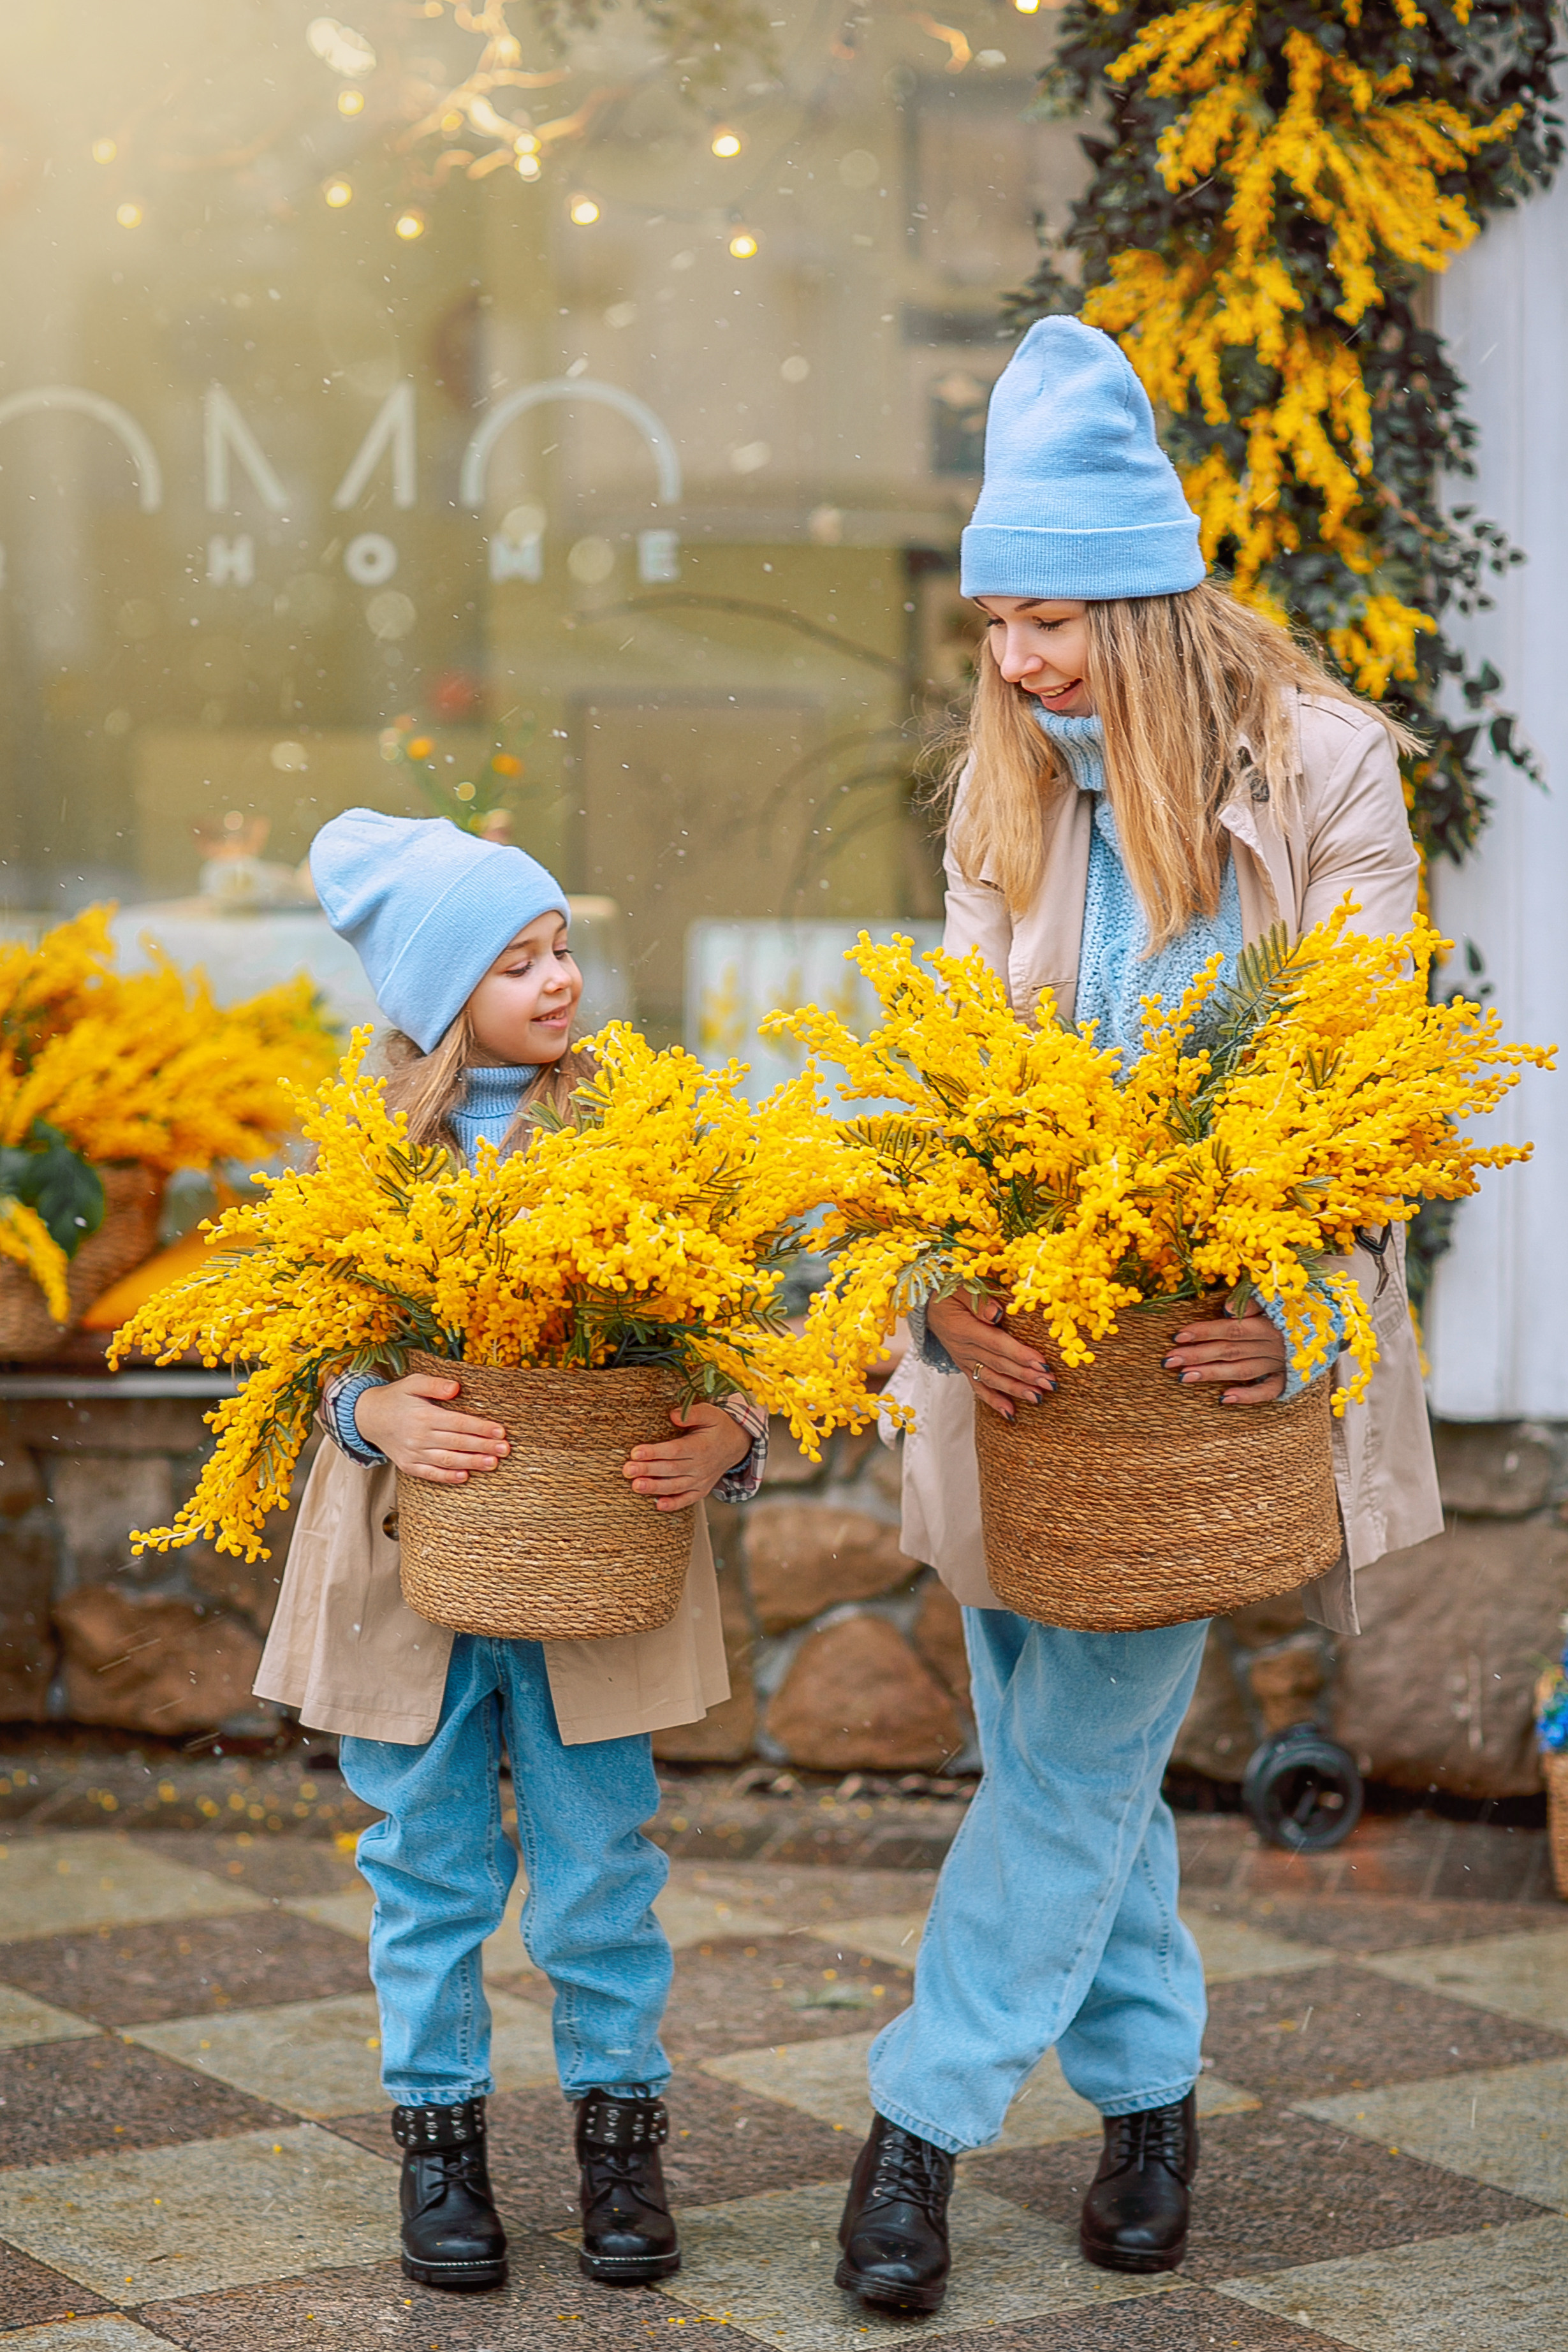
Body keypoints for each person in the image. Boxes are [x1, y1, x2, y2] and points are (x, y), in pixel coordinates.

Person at [832, 318, 1444, 2315]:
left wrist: (1309, 1319)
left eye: (1054, 616)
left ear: (1149, 593)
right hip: (1026, 1361)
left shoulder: (1330, 772)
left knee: (1076, 1749)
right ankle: (1149, 2096)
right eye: (996, 621)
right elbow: (944, 1070)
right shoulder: (1001, 791)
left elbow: (1370, 1091)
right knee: (1054, 1746)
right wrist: (940, 1296)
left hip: (1187, 1370)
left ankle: (914, 2127)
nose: (1018, 662)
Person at [254, 811, 766, 2295]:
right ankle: (442, 2149)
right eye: (516, 959)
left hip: (594, 1556)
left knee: (600, 1862)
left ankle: (621, 2143)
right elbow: (294, 1350)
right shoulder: (358, 1149)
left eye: (562, 950)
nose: (558, 980)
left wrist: (730, 1433)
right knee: (423, 1864)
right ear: (433, 995)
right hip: (408, 1565)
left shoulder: (636, 1129)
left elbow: (747, 1314)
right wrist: (372, 1410)